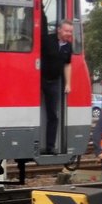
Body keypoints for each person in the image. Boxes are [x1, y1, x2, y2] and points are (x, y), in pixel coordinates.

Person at [40, 19, 73, 154]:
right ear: (59, 30)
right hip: (39, 80)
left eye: (70, 31)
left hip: (54, 82)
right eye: (66, 31)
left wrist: (68, 83)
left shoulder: (68, 47)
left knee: (53, 114)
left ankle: (50, 146)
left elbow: (67, 65)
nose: (68, 34)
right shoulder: (47, 40)